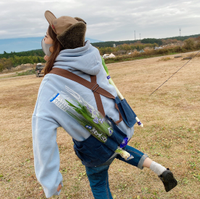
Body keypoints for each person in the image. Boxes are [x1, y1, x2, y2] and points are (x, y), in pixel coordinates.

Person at [32, 10, 177, 199]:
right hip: (119, 128)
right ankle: (158, 168)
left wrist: (50, 183)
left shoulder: (51, 82)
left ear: (55, 44)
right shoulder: (95, 58)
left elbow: (42, 138)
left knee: (99, 181)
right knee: (117, 148)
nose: (43, 41)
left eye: (46, 37)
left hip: (95, 146)